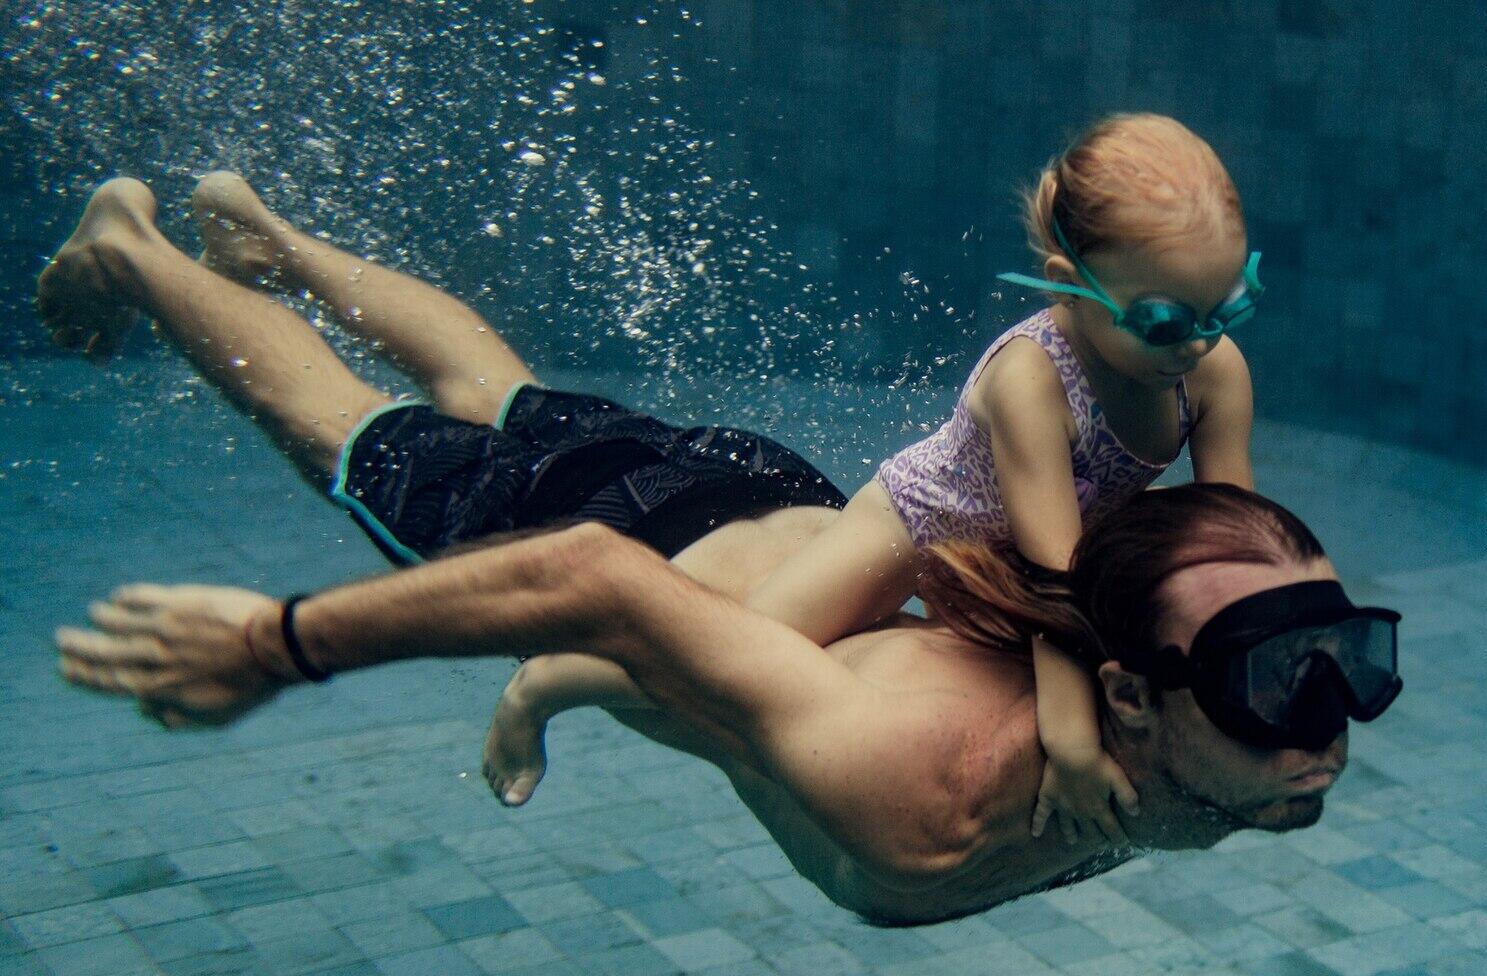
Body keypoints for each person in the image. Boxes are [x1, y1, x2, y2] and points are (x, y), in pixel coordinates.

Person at [41, 174, 1401, 926]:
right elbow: (594, 584)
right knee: (341, 427)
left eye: (1345, 659)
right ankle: (140, 249)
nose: (1330, 721)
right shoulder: (914, 771)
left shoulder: (1214, 757)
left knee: (503, 397)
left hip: (780, 507)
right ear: (1127, 697)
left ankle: (278, 239)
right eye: (1275, 678)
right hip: (647, 544)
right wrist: (277, 643)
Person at [488, 113, 1265, 847]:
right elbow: (1052, 579)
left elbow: (1237, 545)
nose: (1198, 344)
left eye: (1228, 307)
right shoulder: (1033, 384)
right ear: (1068, 284)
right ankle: (552, 682)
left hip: (1038, 548)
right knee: (736, 660)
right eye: (1166, 322)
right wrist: (1070, 745)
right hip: (917, 531)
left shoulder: (1213, 374)